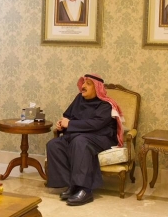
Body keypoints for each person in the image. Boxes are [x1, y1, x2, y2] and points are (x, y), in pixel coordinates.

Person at [46, 74, 124, 206]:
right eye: (83, 83)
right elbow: (67, 116)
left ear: (97, 88)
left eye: (88, 83)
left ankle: (85, 189)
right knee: (54, 145)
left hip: (101, 137)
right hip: (79, 135)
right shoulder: (79, 99)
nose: (83, 86)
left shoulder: (105, 104)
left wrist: (70, 124)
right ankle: (72, 185)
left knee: (80, 142)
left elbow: (95, 124)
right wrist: (61, 125)